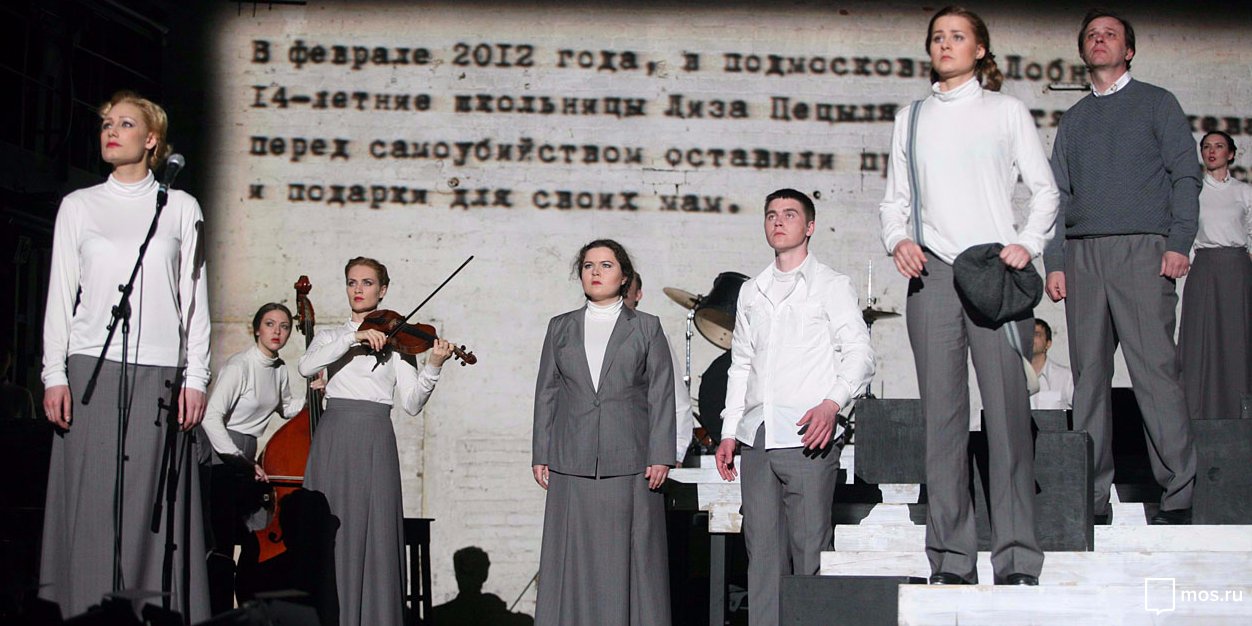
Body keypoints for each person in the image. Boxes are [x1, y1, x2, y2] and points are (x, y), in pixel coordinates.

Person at [879, 6, 1057, 585]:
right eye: (937, 36)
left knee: (1008, 418)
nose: (945, 44)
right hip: (932, 277)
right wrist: (898, 239)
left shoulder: (1005, 111)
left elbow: (1046, 191)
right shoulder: (910, 119)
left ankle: (1017, 558)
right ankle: (952, 560)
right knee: (943, 424)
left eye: (957, 36)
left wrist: (1028, 243)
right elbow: (894, 201)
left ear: (980, 49)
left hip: (994, 273)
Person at [39, 90, 211, 619]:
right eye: (106, 124)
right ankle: (83, 610)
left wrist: (197, 376)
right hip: (92, 366)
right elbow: (60, 295)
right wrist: (53, 373)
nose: (111, 131)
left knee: (150, 509)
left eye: (125, 123)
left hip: (161, 373)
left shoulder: (181, 207)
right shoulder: (79, 206)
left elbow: (194, 298)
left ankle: (151, 613)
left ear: (152, 139)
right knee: (91, 503)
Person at [1043, 9, 1200, 525]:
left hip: (1143, 250)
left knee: (1155, 372)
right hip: (1083, 255)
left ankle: (1178, 493)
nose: (1100, 40)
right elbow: (1057, 195)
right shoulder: (1074, 119)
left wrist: (1179, 241)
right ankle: (1091, 497)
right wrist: (1055, 261)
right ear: (1083, 51)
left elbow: (1185, 175)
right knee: (1089, 379)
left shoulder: (1157, 103)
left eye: (1110, 34)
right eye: (1091, 35)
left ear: (1128, 50)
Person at [716, 188, 874, 624]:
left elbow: (860, 353)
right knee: (762, 556)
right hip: (757, 436)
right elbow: (741, 364)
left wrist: (832, 404)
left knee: (810, 553)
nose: (778, 221)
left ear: (810, 227)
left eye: (789, 214)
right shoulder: (752, 291)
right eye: (771, 214)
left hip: (808, 434)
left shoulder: (831, 285)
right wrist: (729, 431)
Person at [298, 257, 453, 626]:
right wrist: (353, 338)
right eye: (352, 282)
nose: (358, 289)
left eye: (367, 283)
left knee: (376, 531)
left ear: (382, 290)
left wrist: (433, 366)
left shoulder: (399, 341)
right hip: (335, 436)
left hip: (375, 438)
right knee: (327, 529)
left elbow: (412, 403)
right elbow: (306, 367)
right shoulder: (332, 337)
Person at [532, 239, 676, 626]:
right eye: (588, 265)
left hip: (630, 462)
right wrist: (541, 452)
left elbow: (662, 393)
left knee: (630, 561)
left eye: (606, 265)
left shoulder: (647, 327)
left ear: (624, 276)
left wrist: (661, 454)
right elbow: (547, 392)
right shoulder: (560, 327)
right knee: (570, 558)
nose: (596, 272)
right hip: (570, 461)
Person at [198, 302, 305, 614]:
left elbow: (287, 407)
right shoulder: (239, 366)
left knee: (250, 535)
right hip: (222, 453)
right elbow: (211, 418)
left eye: (284, 326)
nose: (277, 331)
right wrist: (239, 460)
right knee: (221, 542)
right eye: (270, 324)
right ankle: (215, 612)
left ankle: (246, 608)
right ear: (257, 329)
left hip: (247, 454)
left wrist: (318, 391)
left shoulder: (279, 368)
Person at [1178, 131, 1252, 421]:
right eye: (1207, 147)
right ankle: (1199, 414)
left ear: (1230, 154)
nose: (1212, 151)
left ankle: (1240, 413)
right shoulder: (1193, 191)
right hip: (1205, 269)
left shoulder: (1244, 191)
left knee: (1238, 338)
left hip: (1237, 269)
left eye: (1219, 146)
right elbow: (1184, 230)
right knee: (1201, 339)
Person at [624, 272, 696, 463]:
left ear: (638, 294)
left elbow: (676, 398)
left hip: (640, 452)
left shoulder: (651, 333)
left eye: (627, 289)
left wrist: (677, 452)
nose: (621, 292)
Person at [1030, 320, 1074, 411]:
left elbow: (1082, 410)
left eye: (1037, 334)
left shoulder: (1066, 377)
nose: (1031, 338)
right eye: (1028, 334)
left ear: (1048, 344)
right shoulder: (1014, 378)